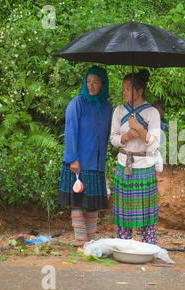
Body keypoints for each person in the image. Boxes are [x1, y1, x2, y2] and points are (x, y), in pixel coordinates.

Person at [58, 66, 113, 249]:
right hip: (78, 163)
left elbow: (109, 135)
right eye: (88, 82)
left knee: (93, 205)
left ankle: (89, 243)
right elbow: (71, 131)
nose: (91, 86)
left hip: (96, 164)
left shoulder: (107, 108)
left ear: (103, 84)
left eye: (95, 82)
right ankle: (82, 243)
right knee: (78, 204)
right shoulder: (77, 104)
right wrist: (73, 158)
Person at [110, 69, 161, 244]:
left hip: (144, 165)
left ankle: (149, 246)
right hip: (124, 163)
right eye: (123, 88)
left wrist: (138, 128)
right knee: (124, 211)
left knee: (146, 212)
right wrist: (126, 137)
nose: (124, 92)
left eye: (127, 89)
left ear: (139, 91)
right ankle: (124, 245)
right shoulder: (118, 111)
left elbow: (154, 143)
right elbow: (113, 138)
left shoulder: (151, 113)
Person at [153, 103, 167, 182]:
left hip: (156, 147)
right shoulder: (148, 121)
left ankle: (157, 176)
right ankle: (154, 176)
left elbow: (164, 128)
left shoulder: (161, 122)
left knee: (159, 163)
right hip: (149, 146)